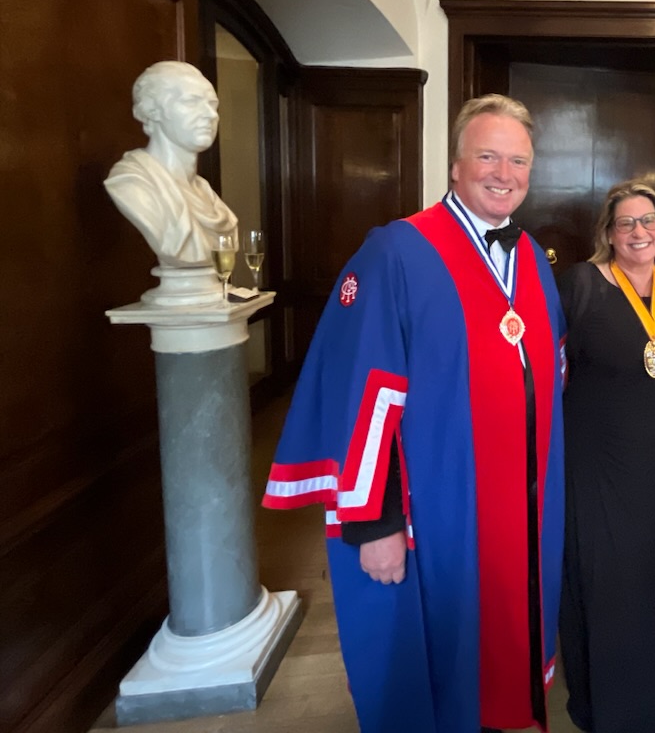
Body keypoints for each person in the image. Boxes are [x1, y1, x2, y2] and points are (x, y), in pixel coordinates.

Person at [262, 94, 566, 733]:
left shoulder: (533, 259)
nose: (503, 173)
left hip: (516, 513)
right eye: (487, 156)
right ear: (455, 165)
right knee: (428, 672)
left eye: (518, 160)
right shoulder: (398, 252)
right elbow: (363, 399)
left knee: (495, 658)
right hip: (434, 513)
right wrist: (373, 524)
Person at [556, 180, 655, 733]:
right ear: (608, 235)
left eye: (649, 221)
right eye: (626, 223)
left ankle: (652, 708)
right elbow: (538, 370)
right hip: (594, 466)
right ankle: (600, 709)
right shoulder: (581, 284)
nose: (639, 232)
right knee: (602, 583)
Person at [104, 61, 238, 267]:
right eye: (191, 102)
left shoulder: (204, 192)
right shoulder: (132, 183)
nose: (211, 115)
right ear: (153, 110)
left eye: (213, 105)